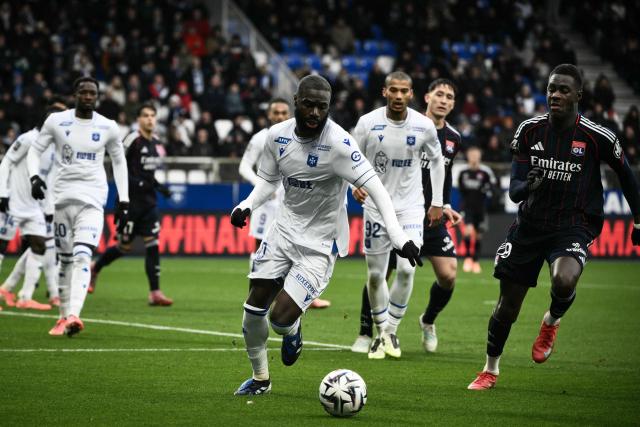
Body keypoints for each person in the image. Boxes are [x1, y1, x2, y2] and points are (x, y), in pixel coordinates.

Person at [229, 75, 423, 396]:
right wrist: (247, 204)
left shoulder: (340, 145)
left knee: (279, 319)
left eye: (323, 106)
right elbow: (267, 180)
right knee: (253, 309)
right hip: (281, 232)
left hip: (319, 245)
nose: (316, 113)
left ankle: (292, 329)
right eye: (309, 104)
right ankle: (261, 379)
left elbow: (377, 189)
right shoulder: (276, 137)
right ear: (296, 101)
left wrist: (399, 237)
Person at [468, 64, 640, 390]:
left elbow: (628, 178)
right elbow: (515, 189)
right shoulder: (529, 130)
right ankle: (490, 369)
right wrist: (527, 186)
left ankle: (551, 320)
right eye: (551, 89)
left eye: (563, 90)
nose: (555, 95)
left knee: (563, 280)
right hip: (530, 226)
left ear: (578, 95)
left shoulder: (596, 136)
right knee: (507, 306)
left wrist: (639, 219)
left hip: (573, 224)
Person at [351, 78, 462, 354]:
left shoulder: (440, 134)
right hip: (378, 207)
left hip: (416, 209)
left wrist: (440, 202)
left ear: (411, 94)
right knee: (377, 275)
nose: (399, 95)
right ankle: (371, 333)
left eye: (404, 91)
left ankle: (394, 331)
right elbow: (351, 157)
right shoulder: (368, 123)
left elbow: (440, 167)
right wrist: (355, 185)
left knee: (411, 268)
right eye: (394, 90)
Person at [27, 76, 130, 337]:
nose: (87, 96)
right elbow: (34, 151)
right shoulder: (57, 121)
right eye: (83, 92)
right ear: (75, 94)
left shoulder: (108, 127)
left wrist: (124, 198)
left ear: (97, 96)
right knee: (64, 261)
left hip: (93, 201)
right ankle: (62, 317)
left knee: (83, 254)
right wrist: (35, 177)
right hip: (62, 199)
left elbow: (119, 162)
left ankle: (74, 314)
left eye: (92, 93)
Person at [239, 98, 331, 309]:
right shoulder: (262, 138)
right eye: (276, 113)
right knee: (260, 247)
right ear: (269, 115)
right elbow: (244, 167)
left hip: (291, 202)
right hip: (266, 203)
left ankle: (303, 294)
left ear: (290, 113)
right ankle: (255, 294)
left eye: (283, 113)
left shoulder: (299, 138)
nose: (279, 116)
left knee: (298, 246)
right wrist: (260, 186)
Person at [89, 104, 173, 306]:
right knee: (123, 247)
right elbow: (119, 165)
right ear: (138, 119)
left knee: (153, 245)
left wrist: (159, 186)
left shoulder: (157, 143)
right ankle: (96, 267)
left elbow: (148, 174)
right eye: (146, 115)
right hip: (131, 203)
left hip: (149, 204)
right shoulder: (131, 139)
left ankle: (155, 292)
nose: (150, 119)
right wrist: (124, 198)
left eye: (153, 115)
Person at [0, 102, 65, 310]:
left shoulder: (52, 148)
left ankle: (25, 296)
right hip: (13, 203)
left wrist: (47, 209)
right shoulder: (28, 139)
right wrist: (2, 194)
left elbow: (46, 179)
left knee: (39, 244)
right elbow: (6, 162)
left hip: (33, 206)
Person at [458, 146, 497, 274]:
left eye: (476, 155)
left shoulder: (485, 173)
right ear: (468, 156)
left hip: (480, 208)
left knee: (479, 236)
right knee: (468, 232)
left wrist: (488, 191)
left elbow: (492, 188)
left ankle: (476, 261)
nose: (474, 157)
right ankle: (468, 259)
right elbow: (461, 190)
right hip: (467, 208)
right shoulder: (463, 173)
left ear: (479, 157)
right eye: (472, 155)